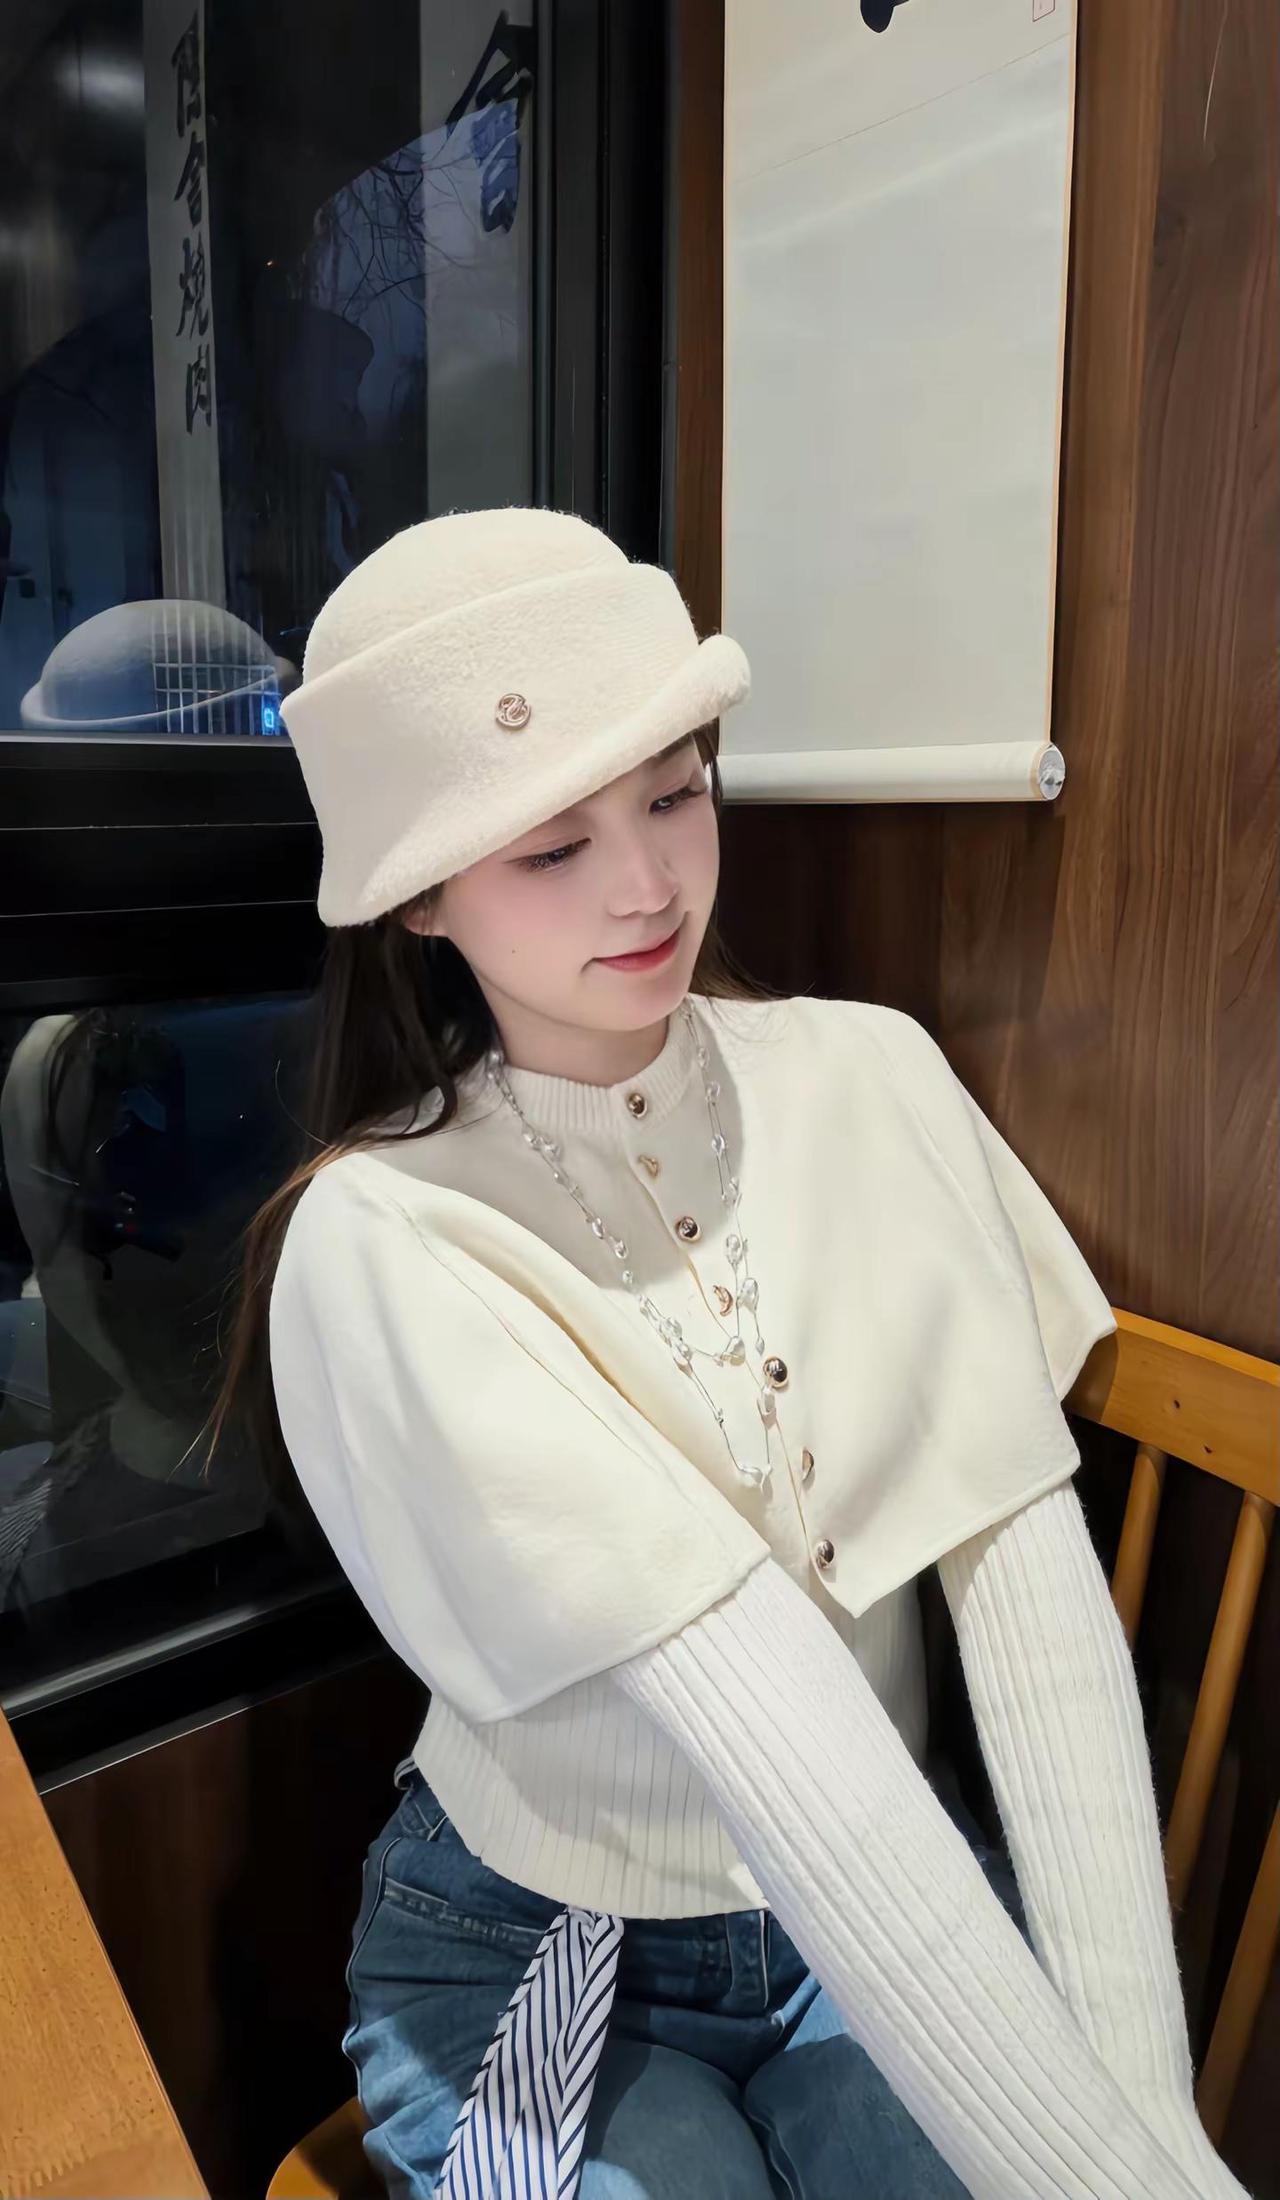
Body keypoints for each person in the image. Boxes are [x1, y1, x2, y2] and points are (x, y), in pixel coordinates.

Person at [211, 508, 1251, 2200]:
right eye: (553, 847)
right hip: (540, 1945)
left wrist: (1154, 2141)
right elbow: (765, 1708)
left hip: (893, 1889)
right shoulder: (383, 1237)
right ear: (416, 895)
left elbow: (1026, 1584)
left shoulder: (873, 1077)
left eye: (677, 792)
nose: (648, 886)